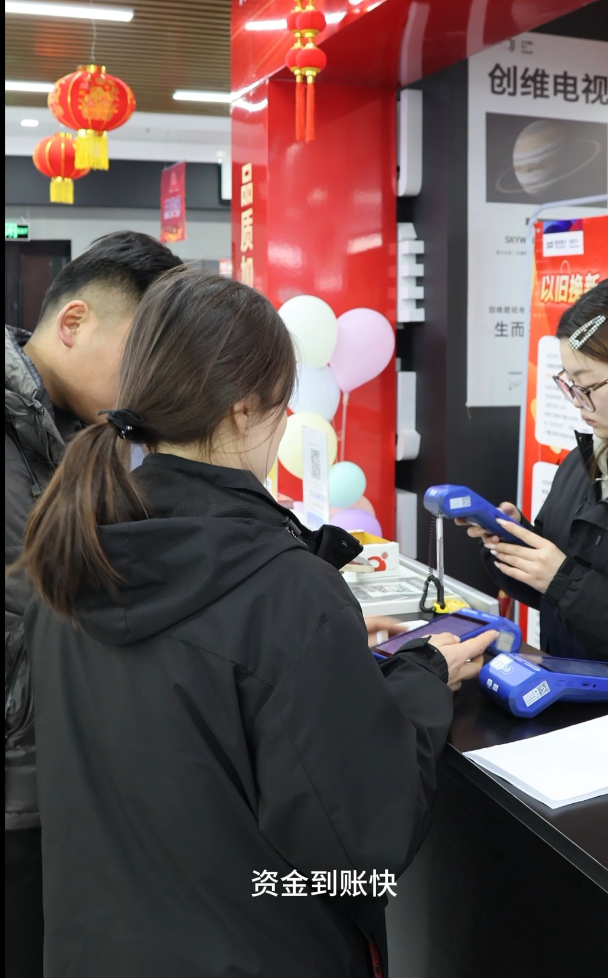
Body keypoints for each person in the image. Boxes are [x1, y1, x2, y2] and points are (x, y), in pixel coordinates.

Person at [19, 268, 497, 978]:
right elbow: (361, 845)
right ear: (245, 407)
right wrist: (420, 679)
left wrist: (325, 652)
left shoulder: (68, 553)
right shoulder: (285, 593)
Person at [5, 231, 183, 978]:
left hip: (65, 783)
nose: (144, 386)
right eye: (138, 358)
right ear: (73, 322)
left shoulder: (78, 435)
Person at [460, 277, 608, 674]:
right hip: (566, 691)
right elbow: (553, 591)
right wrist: (513, 541)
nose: (578, 402)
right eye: (569, 384)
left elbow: (565, 582)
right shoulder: (582, 461)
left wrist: (562, 579)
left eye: (588, 385)